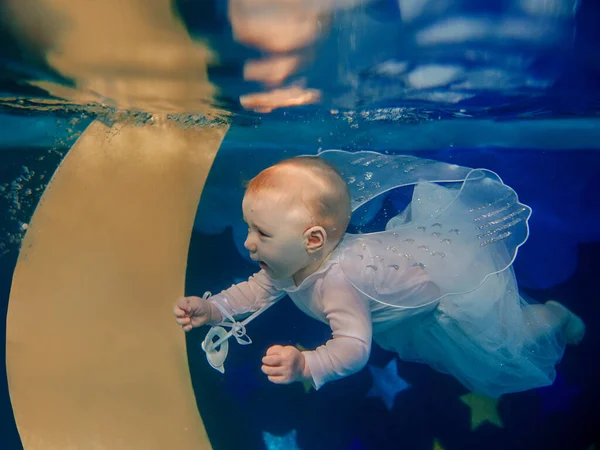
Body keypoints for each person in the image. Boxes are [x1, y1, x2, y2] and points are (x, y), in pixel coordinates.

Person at [174, 154, 585, 397]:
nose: (248, 243)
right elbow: (256, 292)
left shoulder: (338, 283)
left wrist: (306, 364)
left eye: (261, 233)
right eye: (249, 228)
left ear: (313, 239)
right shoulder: (290, 263)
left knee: (510, 343)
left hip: (445, 301)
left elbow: (353, 347)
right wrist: (212, 309)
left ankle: (555, 314)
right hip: (398, 296)